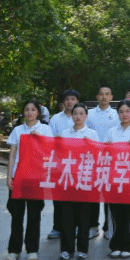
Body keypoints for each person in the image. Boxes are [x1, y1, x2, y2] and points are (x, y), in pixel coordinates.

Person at [5, 99, 52, 260]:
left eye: (33, 109)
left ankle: (32, 249)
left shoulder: (46, 129)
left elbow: (50, 152)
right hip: (19, 177)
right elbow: (12, 154)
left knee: (34, 215)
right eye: (27, 109)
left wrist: (41, 139)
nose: (30, 112)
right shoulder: (18, 130)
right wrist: (9, 176)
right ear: (23, 112)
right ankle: (14, 250)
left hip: (36, 178)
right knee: (16, 215)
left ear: (38, 112)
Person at [106, 99, 130, 259]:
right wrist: (107, 147)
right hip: (114, 179)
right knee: (115, 213)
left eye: (127, 111)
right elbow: (104, 154)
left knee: (129, 214)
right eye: (121, 112)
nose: (124, 114)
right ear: (117, 114)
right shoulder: (111, 132)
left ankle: (128, 245)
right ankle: (115, 245)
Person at [59, 102, 99, 260]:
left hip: (85, 180)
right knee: (67, 217)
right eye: (75, 113)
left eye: (81, 114)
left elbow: (97, 156)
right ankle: (66, 249)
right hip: (68, 180)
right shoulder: (64, 134)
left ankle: (82, 249)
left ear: (86, 116)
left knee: (84, 217)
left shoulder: (92, 134)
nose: (78, 117)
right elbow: (59, 155)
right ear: (71, 116)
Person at [86, 85, 119, 240]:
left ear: (111, 97)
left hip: (110, 159)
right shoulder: (89, 114)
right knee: (92, 194)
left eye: (107, 94)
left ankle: (108, 227)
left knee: (108, 194)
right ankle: (93, 226)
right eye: (101, 94)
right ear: (97, 96)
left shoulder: (117, 114)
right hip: (92, 159)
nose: (104, 97)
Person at [47, 89, 80, 240]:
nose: (70, 102)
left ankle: (75, 226)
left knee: (75, 197)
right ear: (63, 102)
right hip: (59, 163)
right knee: (58, 197)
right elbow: (49, 140)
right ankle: (57, 227)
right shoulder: (55, 119)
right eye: (67, 99)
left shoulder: (81, 116)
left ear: (77, 101)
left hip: (77, 164)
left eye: (73, 99)